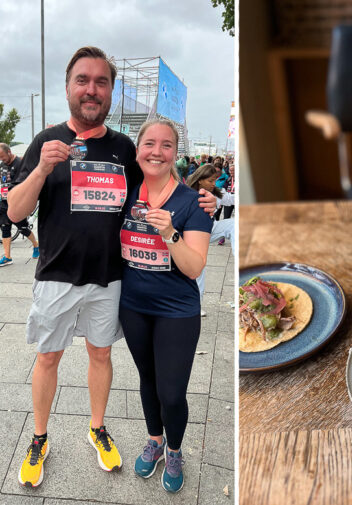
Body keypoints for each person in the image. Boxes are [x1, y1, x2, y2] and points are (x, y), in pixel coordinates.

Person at [7, 46, 216, 489]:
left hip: (110, 278)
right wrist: (42, 169)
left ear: (111, 91)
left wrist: (204, 200)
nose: (91, 89)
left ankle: (97, 428)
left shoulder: (124, 147)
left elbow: (161, 182)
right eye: (82, 80)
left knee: (100, 354)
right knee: (47, 358)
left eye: (101, 82)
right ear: (68, 87)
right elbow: (13, 212)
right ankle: (40, 436)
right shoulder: (46, 143)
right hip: (57, 275)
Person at [119, 119, 211, 493]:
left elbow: (194, 267)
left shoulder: (195, 202)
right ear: (138, 149)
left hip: (177, 310)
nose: (157, 151)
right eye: (150, 143)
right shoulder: (126, 192)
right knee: (147, 379)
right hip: (133, 305)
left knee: (172, 392)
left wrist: (170, 233)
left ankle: (175, 450)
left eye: (167, 145)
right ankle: (155, 441)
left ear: (176, 153)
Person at [186, 163, 235, 308]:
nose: (214, 184)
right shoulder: (187, 193)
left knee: (234, 224)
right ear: (200, 179)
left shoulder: (216, 193)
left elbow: (232, 199)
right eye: (210, 181)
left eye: (215, 180)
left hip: (211, 229)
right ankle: (196, 306)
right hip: (193, 235)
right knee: (198, 269)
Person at [0, 143, 40, 265]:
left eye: (3, 156)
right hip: (4, 202)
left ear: (9, 152)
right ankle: (7, 257)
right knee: (4, 227)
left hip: (17, 203)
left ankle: (36, 245)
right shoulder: (2, 165)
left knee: (22, 228)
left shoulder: (20, 164)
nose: (2, 159)